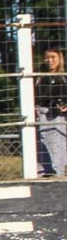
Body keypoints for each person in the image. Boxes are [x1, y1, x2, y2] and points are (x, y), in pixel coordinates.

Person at [36, 47, 67, 178]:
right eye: (46, 57)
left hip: (59, 116)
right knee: (41, 146)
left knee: (57, 146)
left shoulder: (64, 76)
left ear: (60, 58)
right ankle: (43, 173)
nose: (49, 60)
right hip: (41, 113)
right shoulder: (39, 76)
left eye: (53, 57)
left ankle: (57, 174)